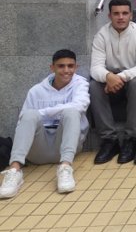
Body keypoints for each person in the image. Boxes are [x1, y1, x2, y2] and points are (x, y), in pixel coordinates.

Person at [0, 50, 89, 198]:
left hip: (66, 148)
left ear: (76, 67)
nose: (66, 70)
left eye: (70, 66)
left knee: (72, 112)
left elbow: (80, 106)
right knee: (28, 114)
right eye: (61, 66)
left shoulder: (80, 84)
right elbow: (23, 120)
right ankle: (14, 171)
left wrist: (42, 112)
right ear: (52, 68)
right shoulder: (36, 91)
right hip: (37, 151)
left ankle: (65, 168)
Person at [89, 0, 136, 164]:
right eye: (116, 13)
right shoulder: (101, 35)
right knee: (94, 86)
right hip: (110, 79)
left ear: (131, 15)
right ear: (109, 15)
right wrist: (108, 77)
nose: (121, 17)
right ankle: (109, 140)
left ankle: (131, 139)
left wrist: (121, 77)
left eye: (125, 13)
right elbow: (95, 68)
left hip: (132, 78)